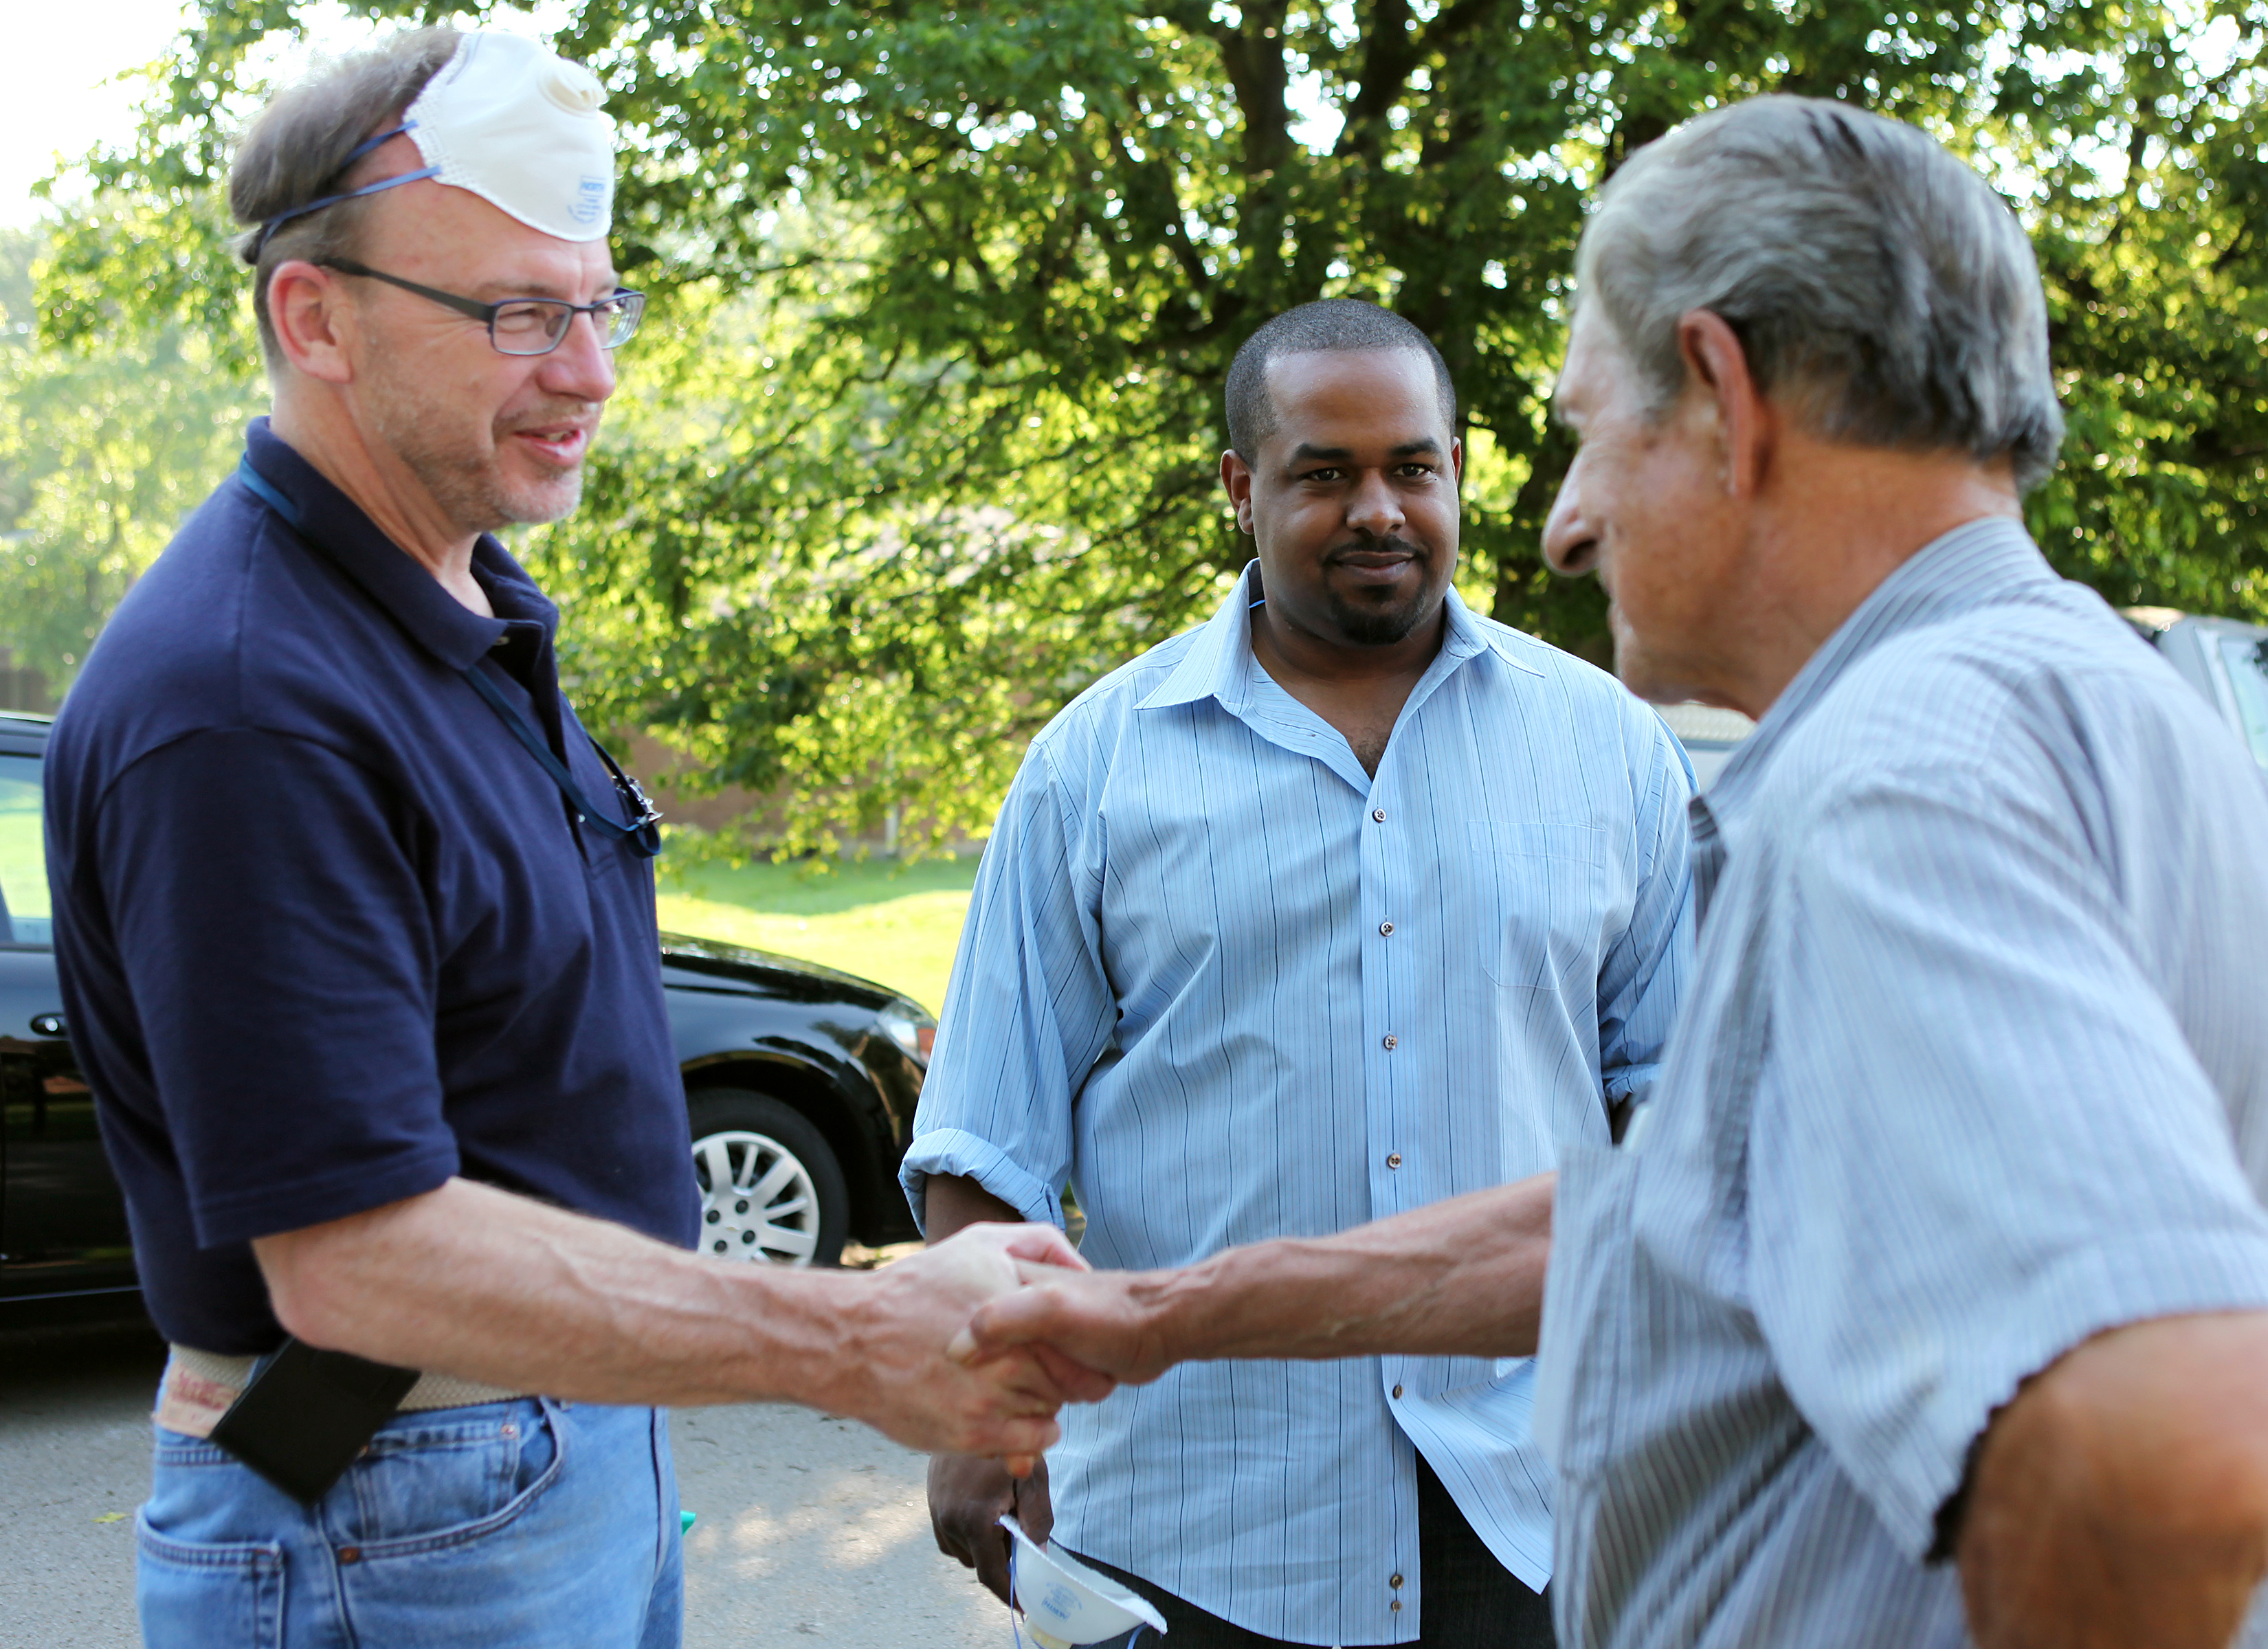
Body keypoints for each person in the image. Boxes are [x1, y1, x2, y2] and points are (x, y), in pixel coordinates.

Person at [957, 96, 2268, 1649]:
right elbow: (1667, 1211)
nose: (1568, 527)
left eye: (1588, 429)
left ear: (1724, 396)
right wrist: (1156, 1314)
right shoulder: (2111, 702)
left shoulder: (1907, 775)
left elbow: (2169, 1454)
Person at [42, 28, 1099, 1649]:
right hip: (392, 1487)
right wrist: (851, 1340)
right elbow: (357, 1271)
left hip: (535, 1453)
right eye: (518, 314)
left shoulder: (449, 605)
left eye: (599, 305)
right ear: (311, 316)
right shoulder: (247, 697)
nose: (591, 370)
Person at [907, 298, 1695, 1648]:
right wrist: (979, 1403)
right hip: (1194, 1519)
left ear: (1459, 469)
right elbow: (990, 1147)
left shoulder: (1609, 750)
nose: (1378, 509)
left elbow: (1674, 1121)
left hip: (1529, 1506)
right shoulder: (1097, 767)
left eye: (1412, 465)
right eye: (1324, 473)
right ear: (1241, 487)